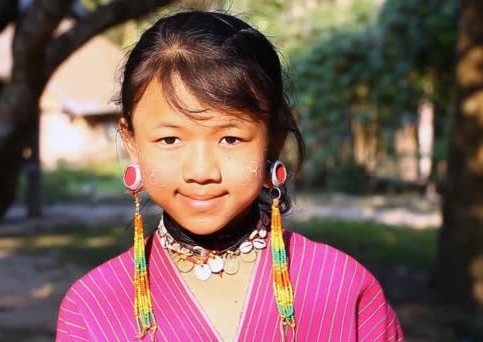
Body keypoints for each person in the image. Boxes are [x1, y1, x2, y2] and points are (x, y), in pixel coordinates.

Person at [56, 11, 403, 341]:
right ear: (131, 142)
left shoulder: (343, 288)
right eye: (170, 139)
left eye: (230, 139)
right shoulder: (92, 307)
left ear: (273, 140)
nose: (202, 171)